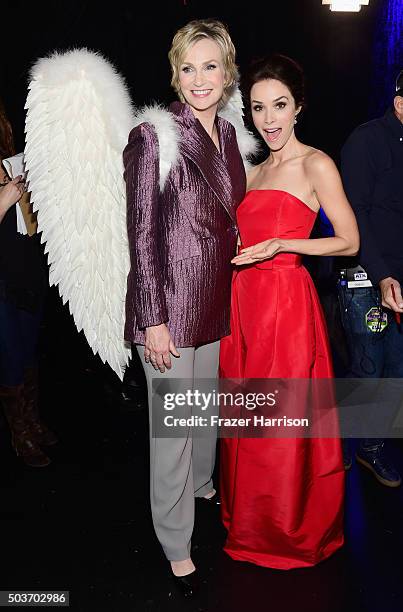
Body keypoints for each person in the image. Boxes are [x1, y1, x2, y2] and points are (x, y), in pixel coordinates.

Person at [123, 20, 254, 596]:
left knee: (202, 418)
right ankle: (174, 539)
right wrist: (152, 317)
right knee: (172, 432)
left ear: (227, 74)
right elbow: (141, 233)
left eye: (210, 67)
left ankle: (201, 488)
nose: (199, 79)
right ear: (174, 73)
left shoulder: (231, 137)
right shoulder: (155, 135)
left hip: (216, 301)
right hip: (171, 309)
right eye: (188, 67)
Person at [219, 54, 359, 569]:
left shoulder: (316, 163)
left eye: (279, 106)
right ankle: (249, 521)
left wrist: (284, 243)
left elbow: (349, 241)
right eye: (258, 108)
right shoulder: (252, 173)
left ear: (298, 106)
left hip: (287, 308)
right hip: (244, 308)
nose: (269, 119)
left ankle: (286, 530)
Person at [337, 70, 403, 486]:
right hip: (364, 277)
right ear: (400, 103)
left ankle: (370, 444)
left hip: (398, 279)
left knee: (395, 367)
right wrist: (381, 276)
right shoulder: (367, 141)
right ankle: (350, 449)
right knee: (368, 367)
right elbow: (354, 215)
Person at [0, 99, 57, 468]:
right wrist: (3, 200)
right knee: (10, 356)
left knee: (29, 349)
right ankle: (19, 434)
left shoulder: (8, 149)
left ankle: (32, 422)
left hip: (24, 269)